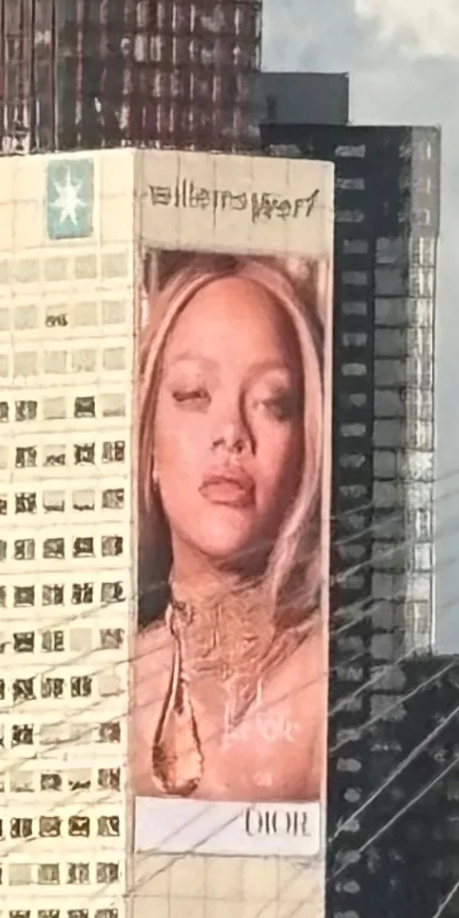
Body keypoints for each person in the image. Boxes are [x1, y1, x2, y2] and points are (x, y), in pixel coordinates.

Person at [127, 253, 328, 804]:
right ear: (146, 442)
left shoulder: (334, 683)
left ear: (305, 450)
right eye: (194, 395)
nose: (231, 433)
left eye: (271, 403)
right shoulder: (109, 681)